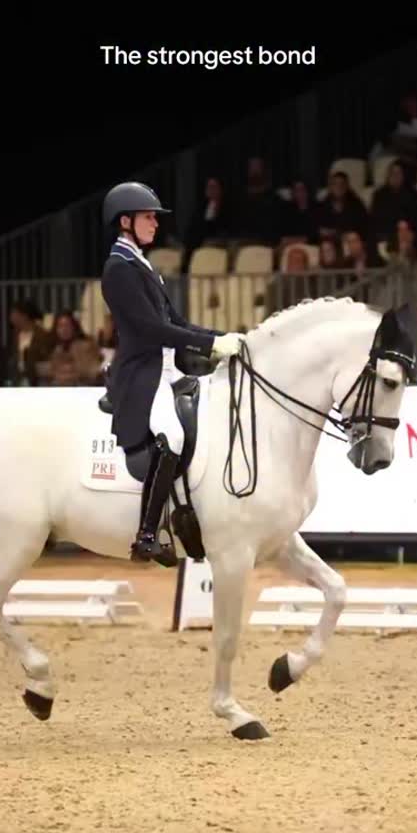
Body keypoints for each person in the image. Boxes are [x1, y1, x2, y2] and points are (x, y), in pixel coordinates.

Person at [101, 180, 244, 566]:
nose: (155, 223)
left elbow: (176, 322)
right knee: (173, 435)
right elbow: (152, 329)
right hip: (142, 375)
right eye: (148, 217)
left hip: (167, 370)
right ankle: (147, 535)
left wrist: (220, 338)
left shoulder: (142, 264)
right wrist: (209, 346)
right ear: (125, 221)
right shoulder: (118, 268)